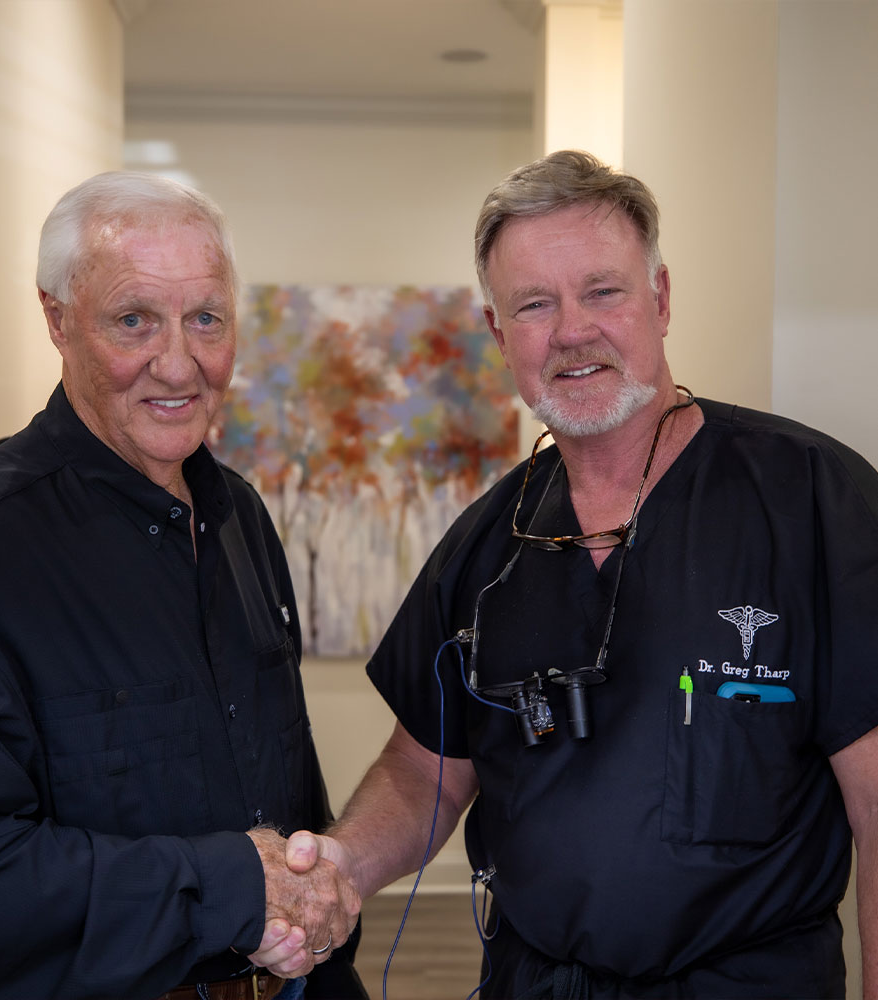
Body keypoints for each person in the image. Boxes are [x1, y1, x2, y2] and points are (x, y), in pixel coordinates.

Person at [282, 150, 878, 998]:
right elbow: (424, 773)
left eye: (603, 291)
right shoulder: (485, 547)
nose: (571, 331)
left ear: (661, 300)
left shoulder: (811, 500)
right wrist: (339, 862)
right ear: (499, 335)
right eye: (533, 305)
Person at [0, 173, 365, 1000]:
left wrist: (315, 900)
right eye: (133, 320)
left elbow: (283, 779)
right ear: (57, 320)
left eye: (206, 319)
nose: (178, 363)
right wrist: (229, 885)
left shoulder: (241, 517)